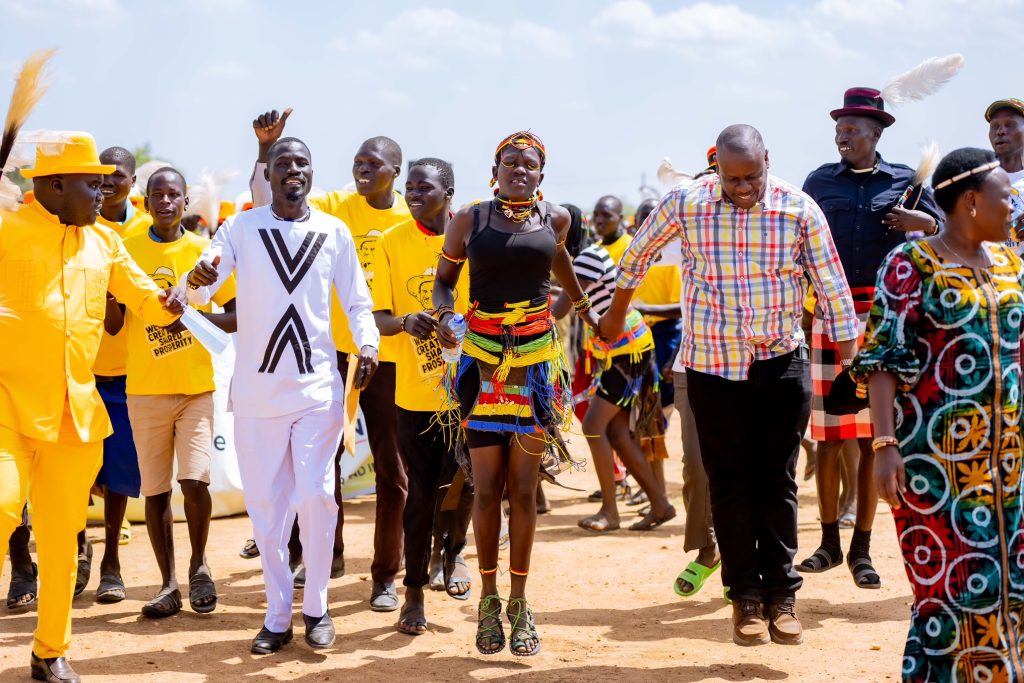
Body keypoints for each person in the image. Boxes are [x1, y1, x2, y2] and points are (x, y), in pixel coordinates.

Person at [601, 124, 857, 647]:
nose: (742, 187)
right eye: (731, 177)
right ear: (716, 166)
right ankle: (744, 599)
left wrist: (850, 358)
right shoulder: (687, 202)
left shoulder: (798, 208)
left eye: (751, 176)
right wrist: (616, 313)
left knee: (777, 480)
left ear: (768, 159)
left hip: (780, 362)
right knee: (729, 483)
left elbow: (831, 285)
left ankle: (782, 597)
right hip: (713, 365)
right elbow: (638, 254)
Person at [0, 132, 186, 683]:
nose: (104, 193)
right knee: (4, 507)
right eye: (93, 183)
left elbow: (146, 299)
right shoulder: (8, 230)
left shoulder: (106, 241)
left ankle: (49, 651)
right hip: (6, 407)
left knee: (60, 543)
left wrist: (172, 303)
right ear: (55, 185)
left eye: (106, 183)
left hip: (75, 417)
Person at [186, 136, 379, 654]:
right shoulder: (240, 229)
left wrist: (368, 343)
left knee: (317, 496)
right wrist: (198, 279)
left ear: (312, 173)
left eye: (302, 162)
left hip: (318, 389)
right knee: (267, 513)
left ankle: (316, 605)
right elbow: (203, 288)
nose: (293, 169)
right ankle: (276, 615)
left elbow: (359, 302)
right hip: (256, 396)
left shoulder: (333, 231)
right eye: (283, 163)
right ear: (267, 175)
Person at [853, 147, 1023, 682]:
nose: (1014, 202)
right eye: (1005, 194)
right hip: (938, 461)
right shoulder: (912, 263)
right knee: (953, 584)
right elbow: (882, 358)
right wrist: (885, 446)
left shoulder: (1015, 263)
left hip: (1014, 457)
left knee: (1013, 580)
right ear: (972, 202)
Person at [433, 131, 597, 656]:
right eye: (510, 161)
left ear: (541, 174)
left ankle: (520, 601)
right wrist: (443, 317)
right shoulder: (470, 219)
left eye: (529, 164)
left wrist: (580, 304)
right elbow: (443, 281)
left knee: (523, 491)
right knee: (485, 489)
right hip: (481, 366)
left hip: (533, 366)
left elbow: (560, 263)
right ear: (495, 167)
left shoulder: (556, 218)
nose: (519, 169)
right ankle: (487, 599)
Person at [250, 109, 409, 610]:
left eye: (373, 164)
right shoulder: (337, 205)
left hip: (385, 358)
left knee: (392, 468)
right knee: (317, 468)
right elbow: (270, 202)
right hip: (324, 359)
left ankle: (386, 574)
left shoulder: (411, 215)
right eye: (358, 162)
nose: (362, 170)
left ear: (395, 173)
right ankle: (321, 558)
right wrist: (264, 151)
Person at [799, 87, 942, 589]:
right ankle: (827, 544)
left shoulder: (907, 181)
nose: (842, 134)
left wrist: (919, 221)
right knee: (828, 439)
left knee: (868, 435)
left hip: (882, 317)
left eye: (852, 129)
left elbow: (941, 231)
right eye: (839, 128)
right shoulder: (818, 181)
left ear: (875, 134)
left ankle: (861, 549)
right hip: (828, 314)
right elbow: (798, 242)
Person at [122, 167, 238, 618]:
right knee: (154, 493)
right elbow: (115, 325)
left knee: (194, 481)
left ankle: (199, 565)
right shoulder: (126, 250)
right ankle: (167, 583)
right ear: (146, 201)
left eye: (174, 194)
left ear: (186, 201)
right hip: (145, 390)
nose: (166, 201)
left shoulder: (203, 253)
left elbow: (235, 313)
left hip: (194, 388)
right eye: (158, 194)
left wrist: (189, 313)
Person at [370, 157, 474, 635]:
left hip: (471, 390)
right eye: (409, 186)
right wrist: (406, 323)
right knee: (419, 497)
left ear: (448, 193)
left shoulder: (475, 239)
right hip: (416, 392)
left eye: (423, 186)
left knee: (467, 485)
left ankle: (452, 556)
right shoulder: (390, 242)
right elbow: (379, 316)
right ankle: (413, 593)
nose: (412, 193)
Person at [551, 197, 675, 533]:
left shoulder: (586, 260)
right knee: (618, 431)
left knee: (593, 425)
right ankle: (660, 504)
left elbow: (558, 310)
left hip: (627, 351)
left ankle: (611, 511)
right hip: (625, 348)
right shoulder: (586, 257)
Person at [74, 146, 154, 604]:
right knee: (80, 469)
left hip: (133, 373)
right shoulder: (81, 224)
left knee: (121, 473)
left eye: (117, 175)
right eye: (101, 176)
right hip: (81, 367)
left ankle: (111, 562)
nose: (108, 183)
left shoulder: (145, 231)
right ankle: (78, 546)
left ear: (133, 180)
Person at [630, 197, 681, 509]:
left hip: (664, 341)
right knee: (644, 424)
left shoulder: (672, 257)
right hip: (637, 342)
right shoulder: (636, 255)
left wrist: (641, 309)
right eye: (643, 217)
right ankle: (655, 493)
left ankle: (659, 497)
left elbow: (681, 309)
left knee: (653, 422)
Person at [986, 98, 1024, 251]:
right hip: (989, 272)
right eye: (994, 126)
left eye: (1009, 125)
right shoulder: (973, 183)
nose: (1000, 131)